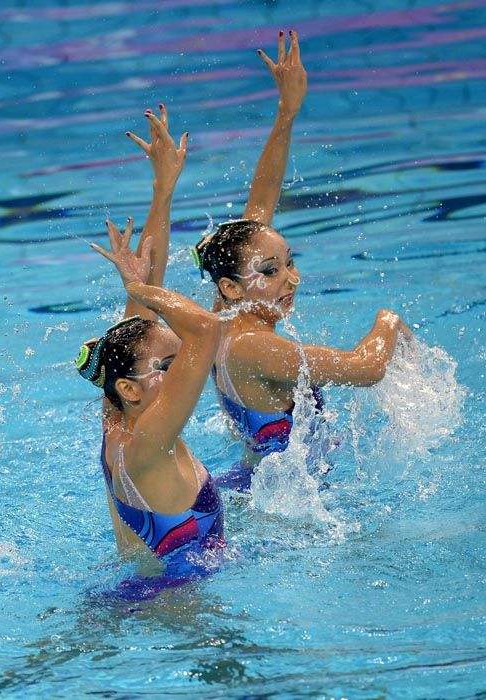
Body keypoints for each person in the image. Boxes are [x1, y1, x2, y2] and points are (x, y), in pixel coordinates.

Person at [190, 31, 413, 490]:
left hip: (262, 487)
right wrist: (388, 323)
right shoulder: (255, 348)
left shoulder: (222, 319)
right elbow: (366, 368)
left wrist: (286, 112)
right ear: (231, 286)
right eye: (271, 271)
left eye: (288, 263)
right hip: (281, 513)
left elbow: (258, 210)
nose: (291, 279)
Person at [75, 108, 224, 598]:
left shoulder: (116, 418)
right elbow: (205, 330)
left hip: (142, 593)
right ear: (130, 387)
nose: (184, 371)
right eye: (168, 366)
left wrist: (163, 190)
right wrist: (141, 290)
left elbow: (143, 312)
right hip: (179, 607)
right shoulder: (149, 441)